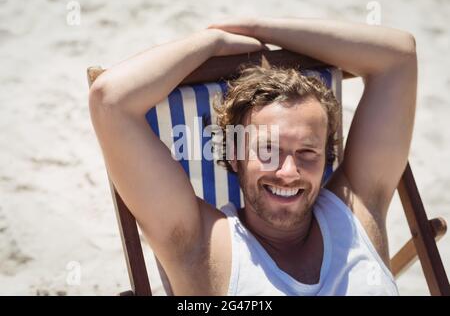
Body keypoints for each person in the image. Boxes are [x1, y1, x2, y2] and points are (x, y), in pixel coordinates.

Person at [88, 17, 417, 295]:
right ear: (234, 155)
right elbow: (110, 101)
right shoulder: (203, 248)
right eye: (267, 151)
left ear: (327, 156)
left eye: (307, 152)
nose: (289, 172)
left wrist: (257, 28)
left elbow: (398, 58)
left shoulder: (357, 211)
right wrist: (212, 41)